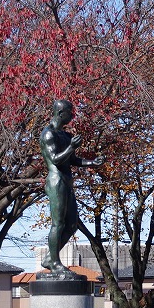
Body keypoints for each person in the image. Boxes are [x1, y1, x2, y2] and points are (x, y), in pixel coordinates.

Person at [39, 99, 100, 279]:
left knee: (72, 224)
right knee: (58, 223)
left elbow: (71, 160)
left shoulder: (65, 135)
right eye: (70, 112)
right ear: (60, 113)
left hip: (66, 181)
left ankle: (50, 257)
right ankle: (55, 262)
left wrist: (91, 162)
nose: (72, 115)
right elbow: (55, 159)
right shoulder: (48, 134)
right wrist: (72, 147)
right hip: (56, 180)